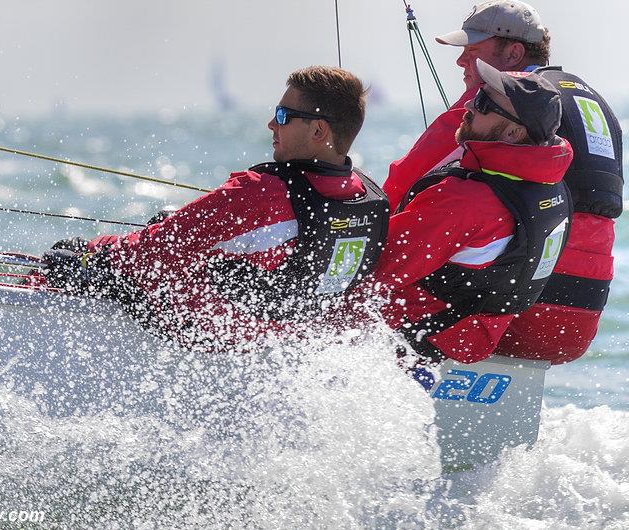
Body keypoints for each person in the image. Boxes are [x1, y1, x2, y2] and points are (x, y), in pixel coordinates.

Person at [41, 66, 389, 350]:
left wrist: (91, 254)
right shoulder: (368, 199)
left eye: (283, 115)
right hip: (279, 342)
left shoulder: (260, 192)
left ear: (318, 129)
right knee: (167, 226)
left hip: (204, 336)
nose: (272, 124)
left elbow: (156, 248)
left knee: (81, 258)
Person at [385, 0, 623, 364]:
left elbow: (403, 183)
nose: (462, 62)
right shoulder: (591, 103)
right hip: (582, 315)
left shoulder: (498, 100)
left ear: (513, 53)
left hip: (511, 312)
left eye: (474, 52)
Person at [365, 58, 573, 365]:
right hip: (471, 340)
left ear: (514, 133)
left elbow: (375, 273)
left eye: (483, 102)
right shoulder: (552, 187)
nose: (469, 108)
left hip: (418, 345)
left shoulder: (466, 200)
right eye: (477, 95)